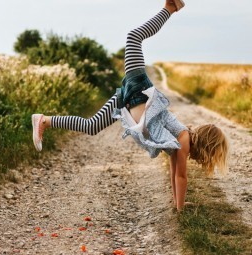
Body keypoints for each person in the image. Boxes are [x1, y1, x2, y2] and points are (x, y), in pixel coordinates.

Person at [32, 0, 229, 211]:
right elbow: (181, 177)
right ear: (208, 147)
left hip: (130, 102)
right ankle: (170, 8)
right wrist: (180, 210)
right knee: (133, 37)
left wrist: (177, 202)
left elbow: (174, 174)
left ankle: (44, 120)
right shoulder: (183, 140)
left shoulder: (179, 145)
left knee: (92, 126)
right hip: (139, 91)